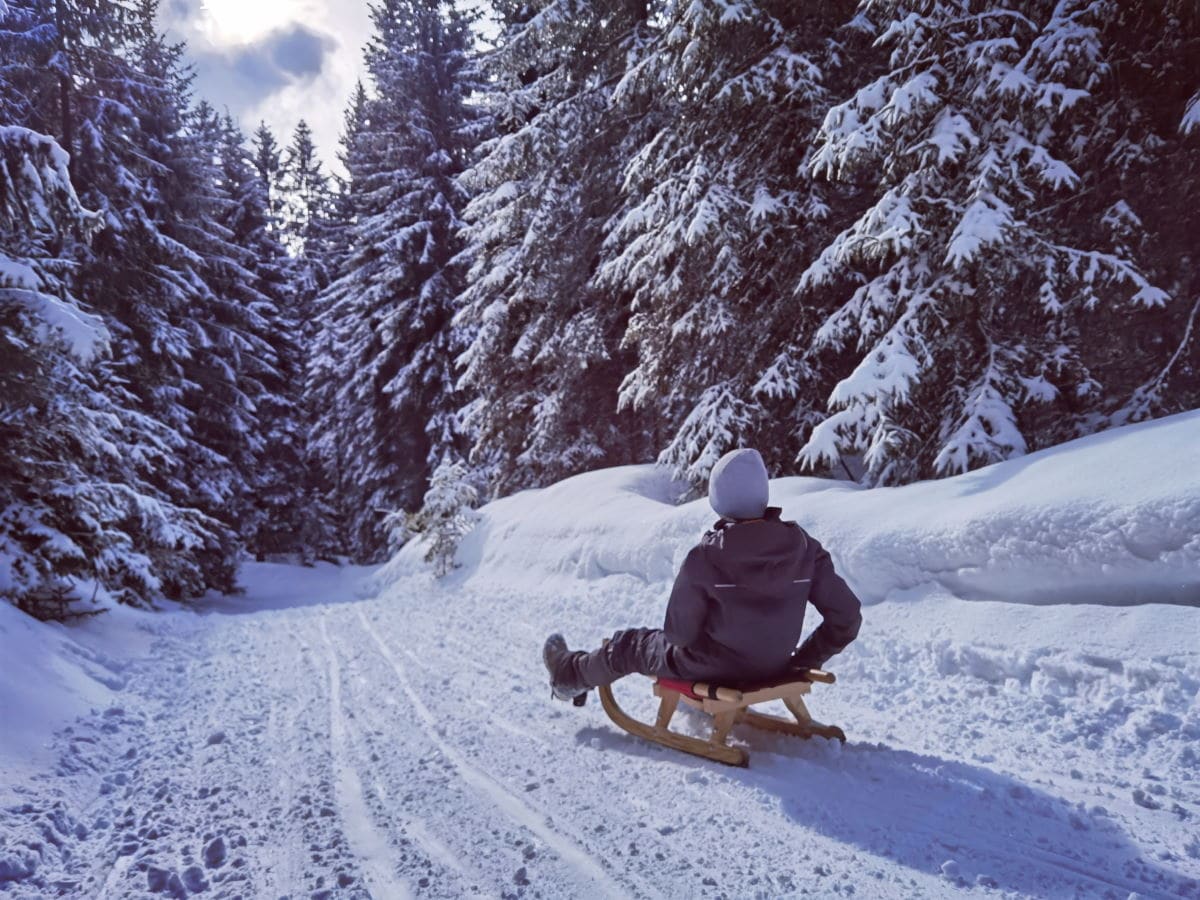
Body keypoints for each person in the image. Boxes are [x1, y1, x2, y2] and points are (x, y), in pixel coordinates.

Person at [542, 447, 862, 702]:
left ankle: (568, 675)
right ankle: (573, 674)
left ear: (719, 500)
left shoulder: (706, 557)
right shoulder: (805, 548)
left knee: (629, 645)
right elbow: (846, 616)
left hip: (714, 668)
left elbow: (678, 635)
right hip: (776, 665)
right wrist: (804, 660)